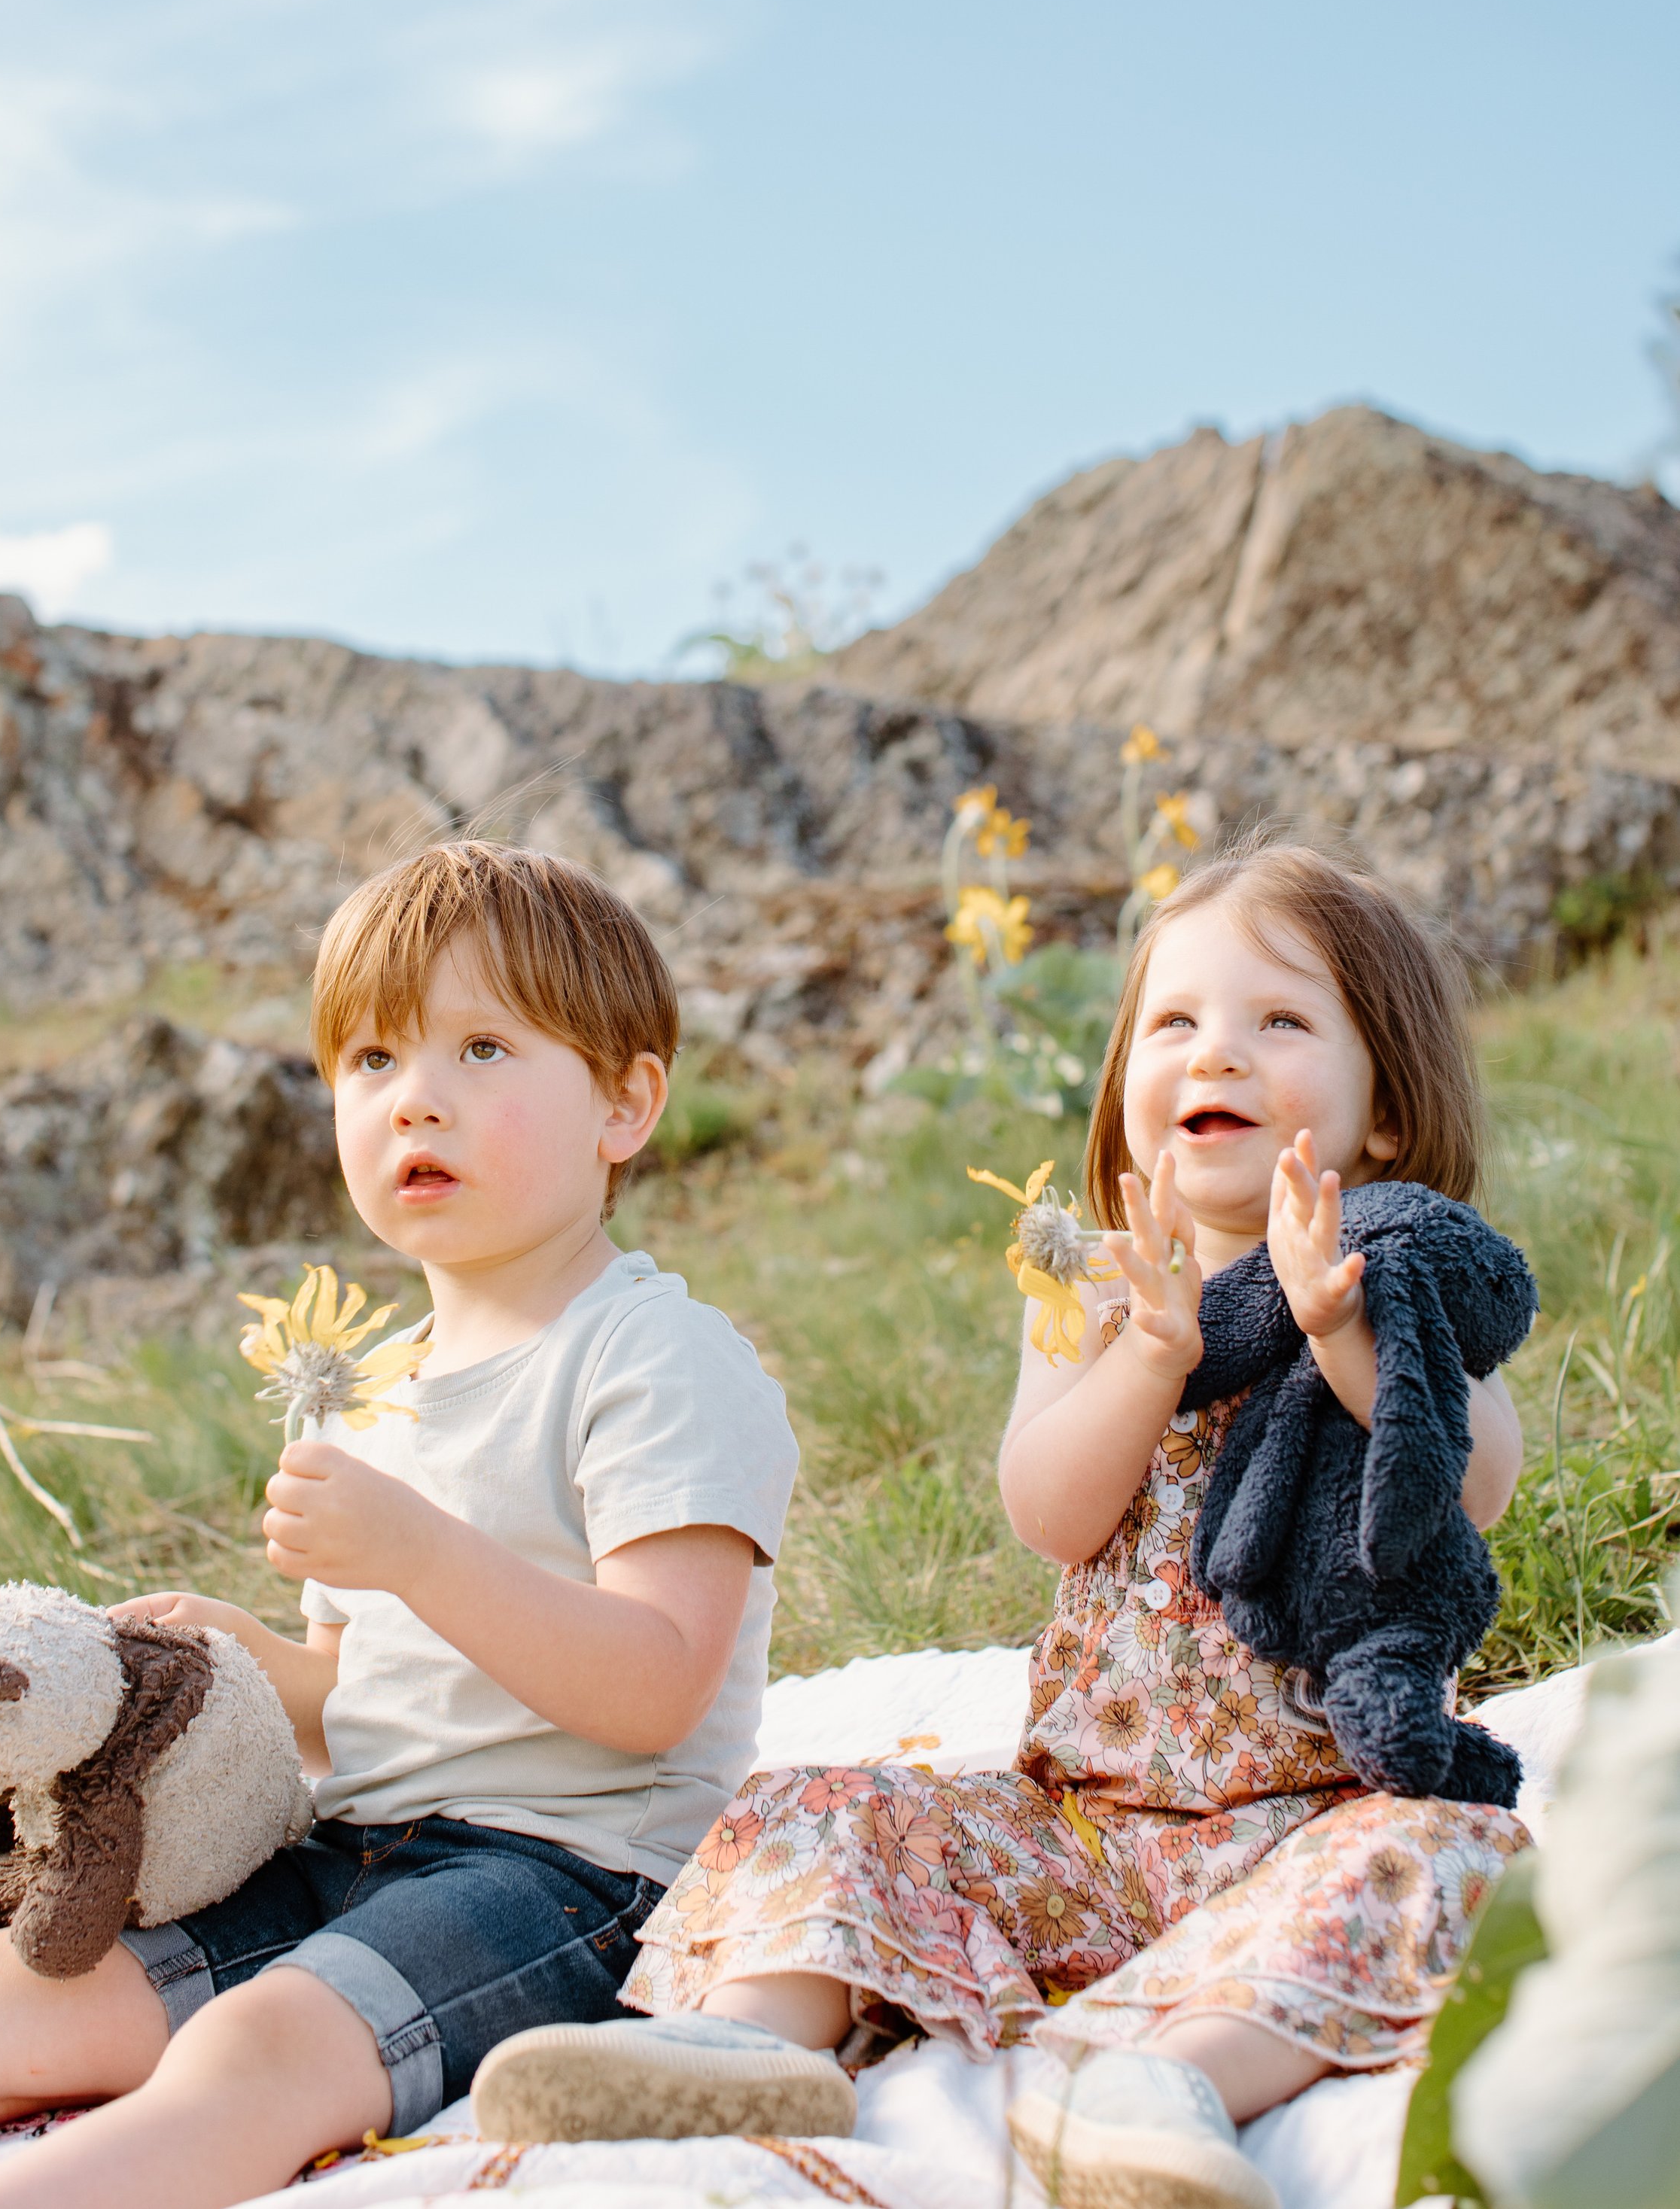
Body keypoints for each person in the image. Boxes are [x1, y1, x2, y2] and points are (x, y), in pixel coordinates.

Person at [480, 838, 1533, 2209]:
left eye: (1279, 1020)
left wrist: (1338, 1333)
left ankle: (1167, 2082)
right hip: (1077, 1831)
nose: (1216, 1054)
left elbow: (1472, 1480)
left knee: (1451, 1853)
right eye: (1174, 1021)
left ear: (1383, 1111)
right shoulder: (1093, 1288)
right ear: (1124, 1088)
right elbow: (1047, 1510)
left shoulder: (1396, 1273)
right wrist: (1147, 1362)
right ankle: (752, 2040)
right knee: (828, 1803)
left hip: (1308, 1818)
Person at [0, 841, 800, 2209]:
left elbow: (651, 1687)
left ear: (626, 1102)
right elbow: (362, 1702)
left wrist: (417, 1549)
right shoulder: (360, 1392)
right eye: (373, 1061)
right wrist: (246, 1655)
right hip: (345, 1844)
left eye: (485, 1050)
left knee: (260, 2047)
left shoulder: (657, 1358)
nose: (418, 1104)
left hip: (569, 1874)